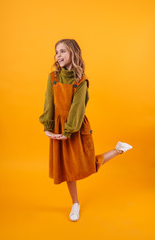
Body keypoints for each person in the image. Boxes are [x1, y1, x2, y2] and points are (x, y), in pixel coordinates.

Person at [39, 39, 133, 222]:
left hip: (75, 128)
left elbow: (77, 108)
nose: (58, 55)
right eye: (56, 52)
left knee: (87, 165)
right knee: (67, 169)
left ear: (73, 53)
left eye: (63, 51)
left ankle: (118, 149)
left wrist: (68, 132)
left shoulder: (81, 80)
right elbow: (48, 103)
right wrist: (47, 128)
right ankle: (75, 203)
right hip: (59, 129)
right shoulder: (52, 77)